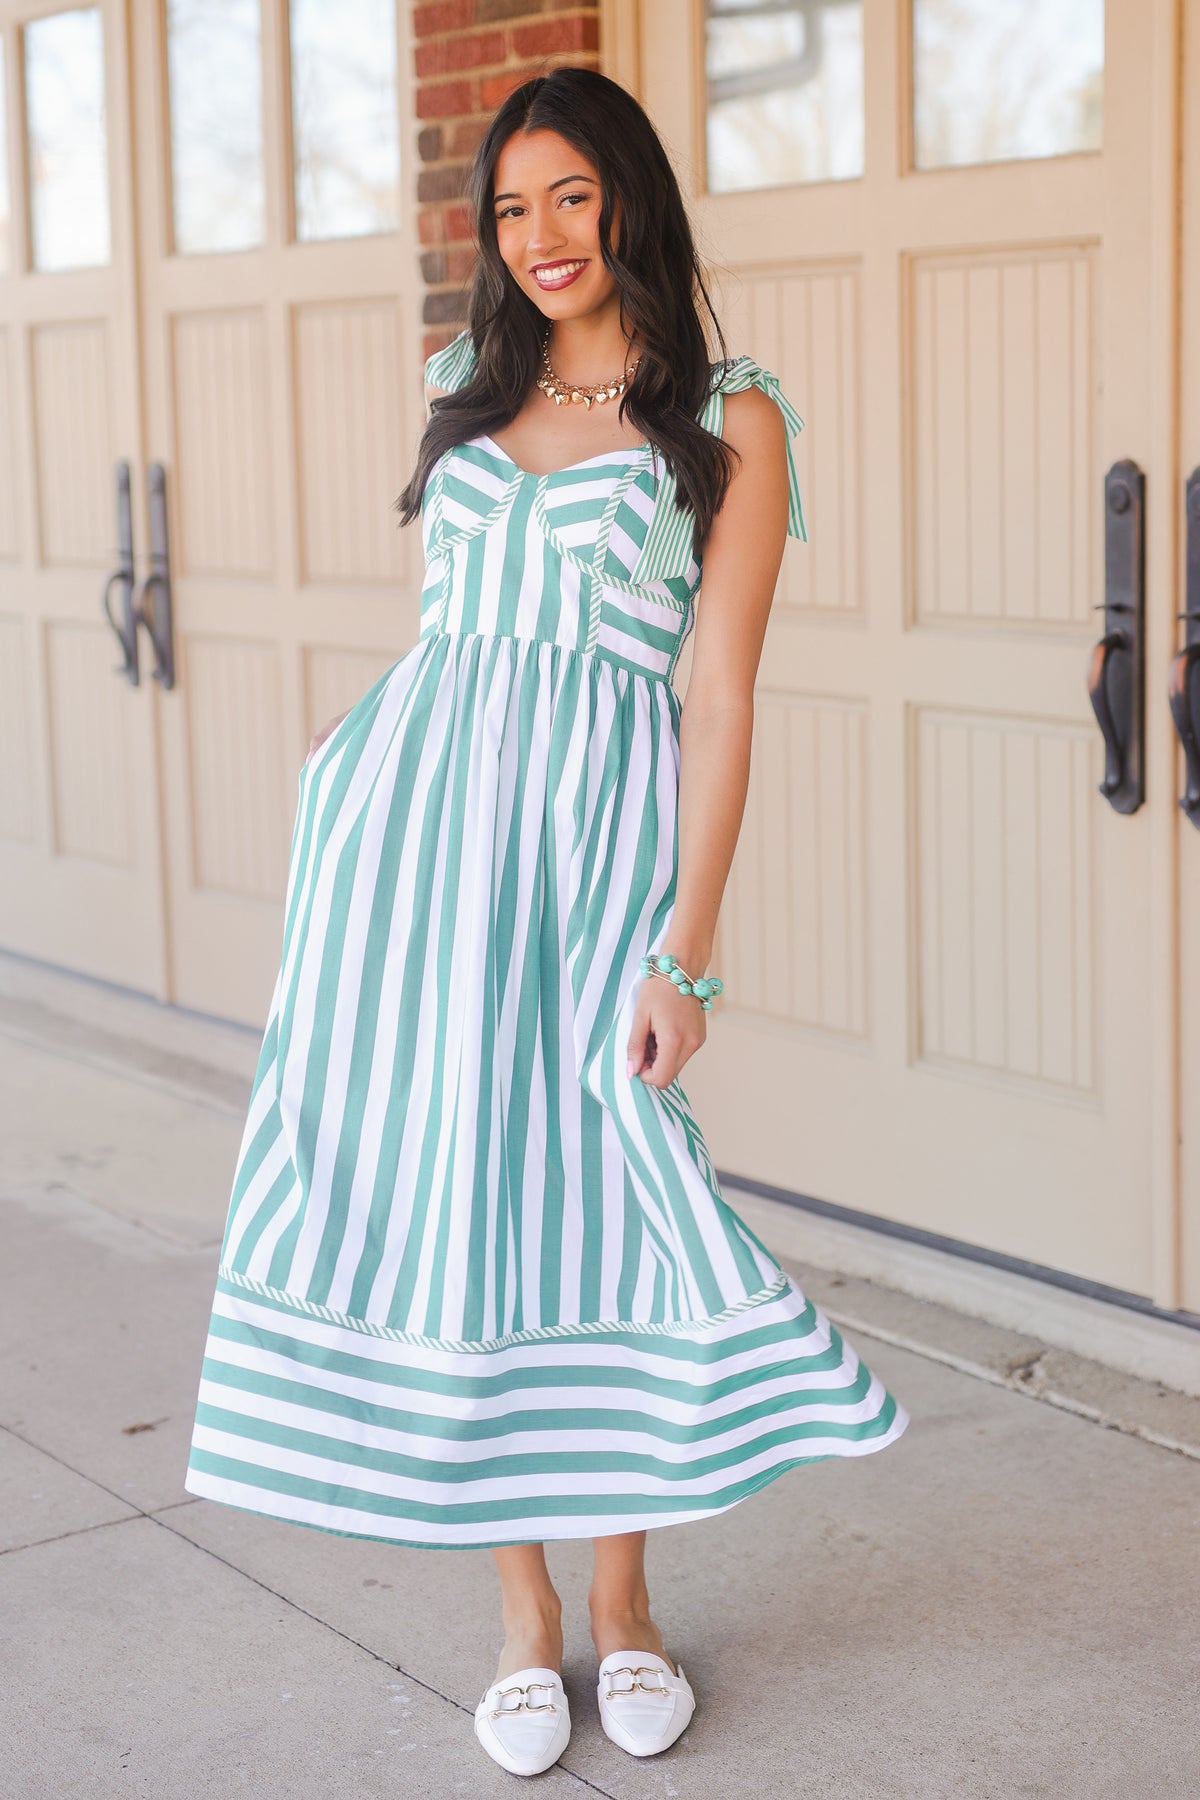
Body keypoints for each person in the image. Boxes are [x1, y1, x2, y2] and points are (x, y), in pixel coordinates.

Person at [182, 65, 910, 1780]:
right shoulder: (463, 380)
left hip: (592, 861)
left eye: (570, 196)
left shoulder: (729, 413)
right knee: (449, 1200)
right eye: (511, 209)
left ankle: (627, 1605)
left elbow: (717, 701)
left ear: (630, 197)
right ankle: (519, 1620)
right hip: (411, 854)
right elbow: (454, 638)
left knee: (597, 1199)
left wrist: (685, 950)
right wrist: (352, 772)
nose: (540, 236)